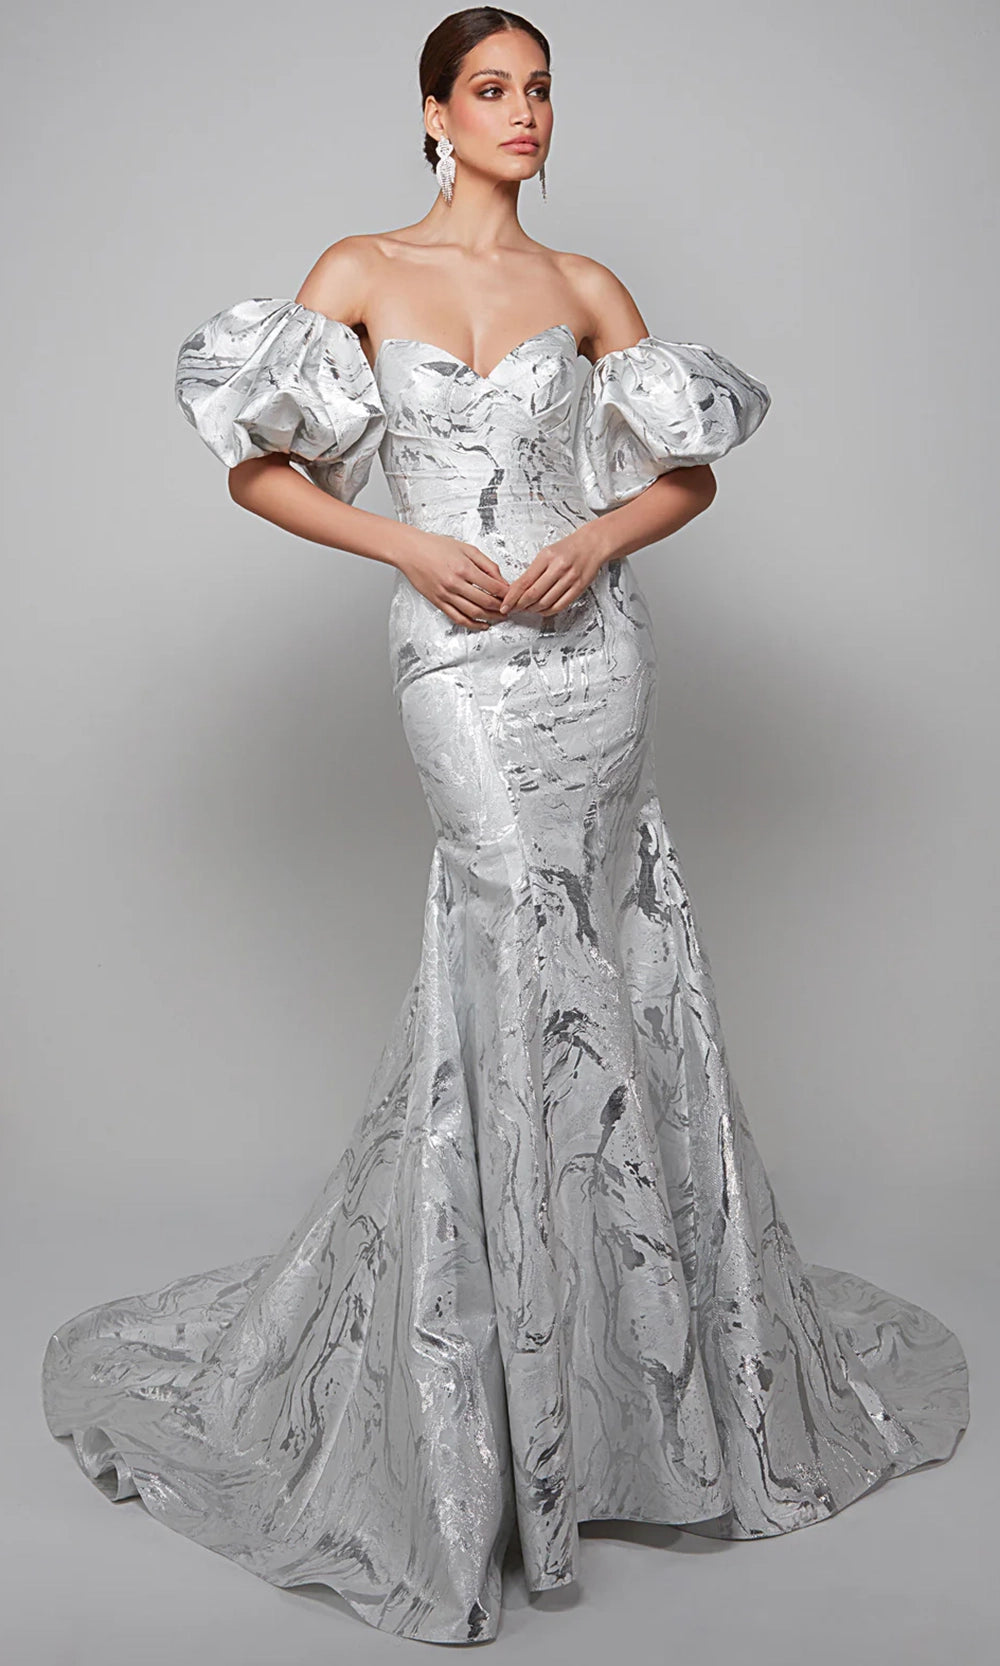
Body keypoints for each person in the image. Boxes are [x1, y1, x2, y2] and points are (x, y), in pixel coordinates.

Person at [41, 6, 969, 1647]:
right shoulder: (360, 269)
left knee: (601, 968)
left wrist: (597, 540)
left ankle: (625, 1389)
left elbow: (685, 473)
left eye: (539, 89)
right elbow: (259, 470)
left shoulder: (589, 286)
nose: (524, 112)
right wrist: (408, 548)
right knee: (505, 947)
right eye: (491, 89)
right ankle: (483, 1422)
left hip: (593, 653)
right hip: (456, 656)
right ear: (432, 114)